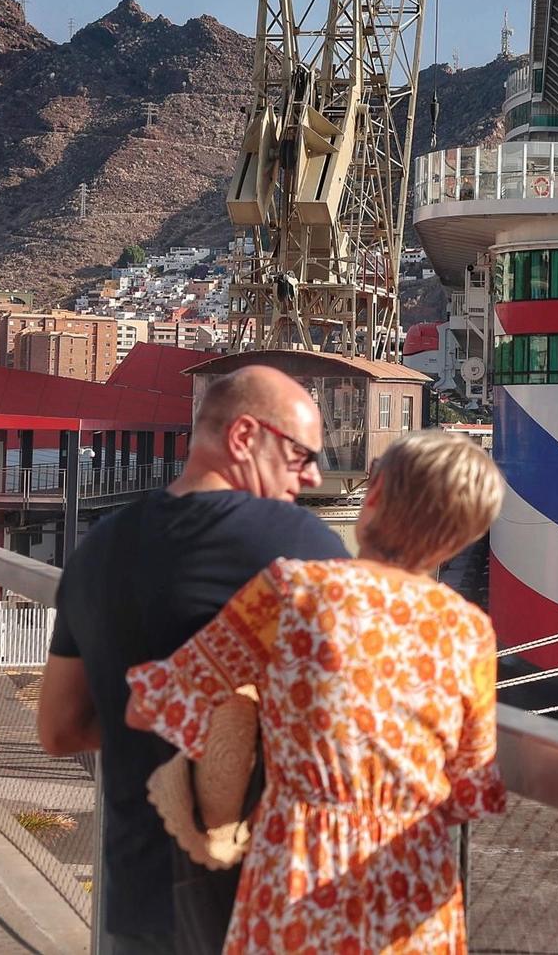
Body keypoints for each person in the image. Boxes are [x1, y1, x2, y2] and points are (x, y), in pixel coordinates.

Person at [126, 431, 506, 954]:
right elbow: (471, 787)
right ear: (461, 539)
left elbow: (155, 703)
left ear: (372, 496)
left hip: (300, 874)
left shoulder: (291, 592)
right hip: (416, 888)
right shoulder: (469, 631)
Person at [39, 366, 346, 955]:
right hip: (266, 904)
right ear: (243, 438)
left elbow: (59, 730)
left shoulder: (97, 550)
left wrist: (173, 732)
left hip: (136, 903)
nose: (312, 476)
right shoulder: (305, 550)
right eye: (301, 454)